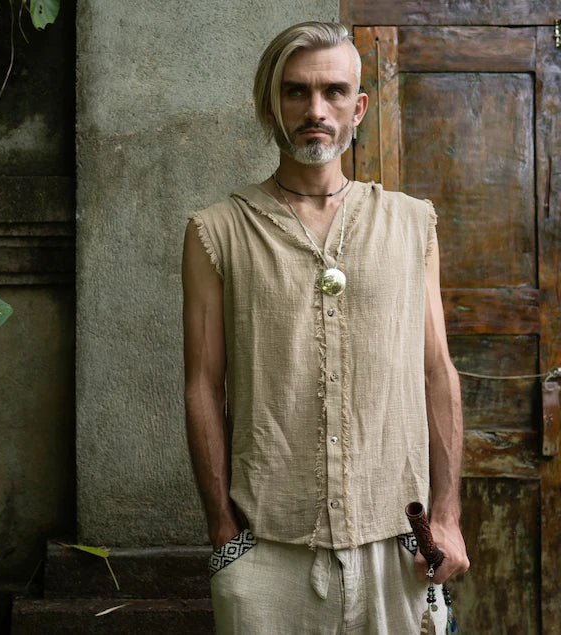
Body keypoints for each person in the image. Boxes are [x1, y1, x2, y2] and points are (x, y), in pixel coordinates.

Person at [182, 21, 469, 634]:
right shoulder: (217, 231)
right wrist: (224, 534)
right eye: (296, 91)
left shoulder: (411, 224)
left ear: (357, 108)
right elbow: (203, 383)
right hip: (268, 550)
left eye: (334, 91)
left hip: (398, 545)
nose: (316, 109)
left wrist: (447, 517)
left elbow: (436, 370)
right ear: (271, 106)